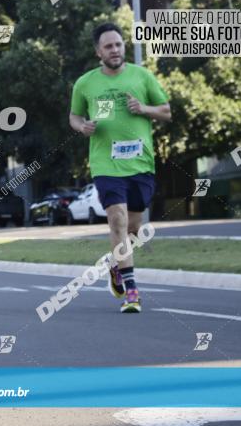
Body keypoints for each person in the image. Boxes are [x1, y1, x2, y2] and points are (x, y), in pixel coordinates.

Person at [69, 22, 171, 313]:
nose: (114, 50)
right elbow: (74, 117)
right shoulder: (86, 83)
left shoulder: (142, 76)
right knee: (117, 221)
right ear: (98, 51)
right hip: (106, 164)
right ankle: (132, 291)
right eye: (108, 46)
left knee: (134, 231)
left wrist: (144, 109)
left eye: (118, 44)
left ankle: (116, 265)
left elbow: (166, 111)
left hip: (140, 164)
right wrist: (83, 127)